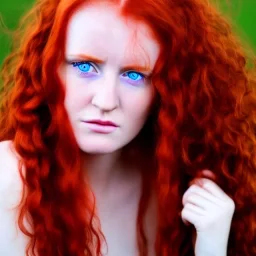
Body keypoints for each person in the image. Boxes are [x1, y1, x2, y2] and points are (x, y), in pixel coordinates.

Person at [0, 0, 255, 255]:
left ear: (169, 89)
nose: (106, 101)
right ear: (48, 67)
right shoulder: (10, 180)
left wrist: (212, 244)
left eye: (134, 75)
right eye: (84, 66)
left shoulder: (177, 187)